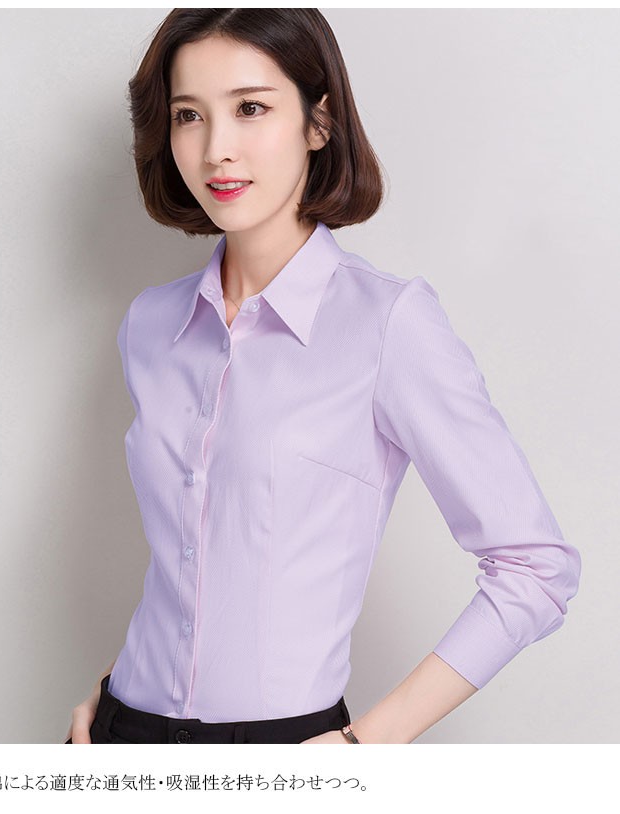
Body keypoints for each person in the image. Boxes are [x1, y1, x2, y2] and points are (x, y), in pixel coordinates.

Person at [65, 8, 581, 745]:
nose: (216, 149)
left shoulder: (387, 323)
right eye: (189, 115)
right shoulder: (151, 323)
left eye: (250, 108)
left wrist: (365, 745)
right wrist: (108, 688)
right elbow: (192, 564)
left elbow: (535, 566)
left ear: (319, 121)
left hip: (287, 753)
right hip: (117, 735)